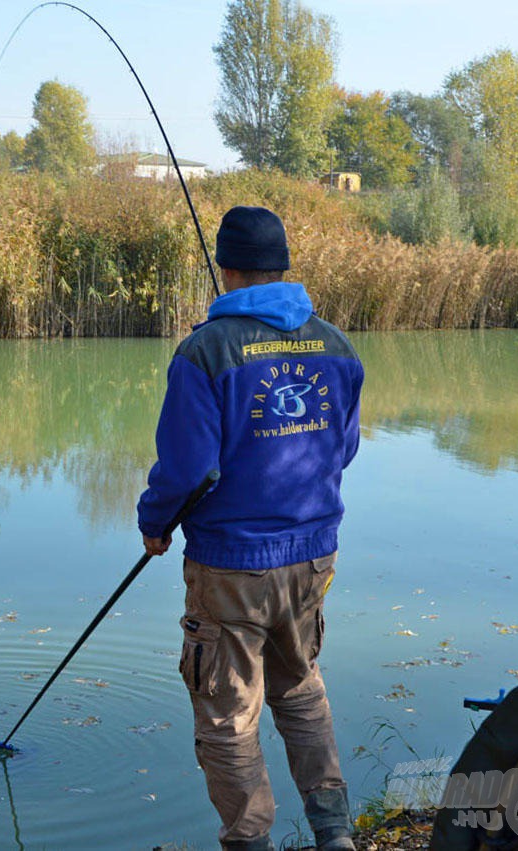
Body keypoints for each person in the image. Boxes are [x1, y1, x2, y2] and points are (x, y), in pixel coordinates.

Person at [137, 206, 365, 851]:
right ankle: (335, 836)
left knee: (228, 714)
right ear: (281, 263)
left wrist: (155, 525)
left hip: (233, 562)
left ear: (224, 266)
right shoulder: (336, 343)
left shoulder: (206, 349)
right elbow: (342, 450)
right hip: (315, 552)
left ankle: (249, 843)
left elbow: (187, 468)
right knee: (298, 687)